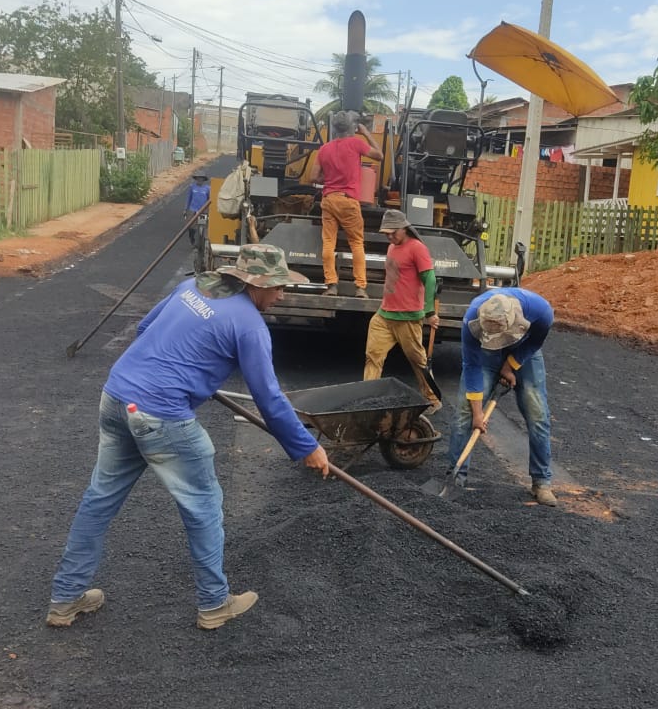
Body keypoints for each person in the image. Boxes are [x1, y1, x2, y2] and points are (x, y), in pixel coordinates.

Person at [46, 244, 330, 631]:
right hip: (161, 415)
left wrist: (192, 369)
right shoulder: (249, 325)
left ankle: (65, 599)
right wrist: (306, 447)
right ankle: (214, 604)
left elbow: (147, 330)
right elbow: (268, 397)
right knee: (204, 506)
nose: (281, 294)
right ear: (254, 284)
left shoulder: (193, 287)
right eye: (277, 286)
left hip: (117, 396)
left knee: (100, 499)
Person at [449, 288, 557, 506]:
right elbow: (471, 367)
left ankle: (541, 482)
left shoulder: (540, 310)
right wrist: (478, 414)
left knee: (538, 415)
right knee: (465, 413)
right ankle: (456, 476)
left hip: (524, 349)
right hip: (485, 353)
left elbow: (535, 342)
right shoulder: (472, 320)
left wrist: (511, 365)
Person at [363, 209, 441, 415]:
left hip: (408, 317)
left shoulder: (417, 248)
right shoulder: (391, 247)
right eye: (386, 233)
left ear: (404, 228)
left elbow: (430, 279)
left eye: (393, 232)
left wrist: (430, 311)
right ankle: (366, 400)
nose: (389, 236)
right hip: (384, 315)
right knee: (373, 356)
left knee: (418, 361)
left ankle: (432, 399)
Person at [312, 111, 383, 299]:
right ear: (353, 128)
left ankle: (331, 285)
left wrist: (328, 178)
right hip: (349, 200)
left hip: (329, 199)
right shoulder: (356, 143)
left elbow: (313, 177)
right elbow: (380, 156)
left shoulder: (324, 149)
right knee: (356, 243)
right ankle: (360, 287)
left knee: (328, 243)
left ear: (334, 129)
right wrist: (366, 133)